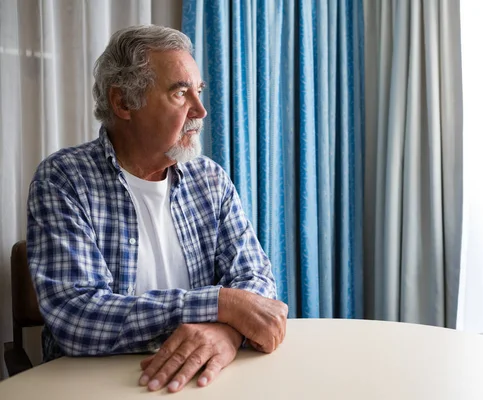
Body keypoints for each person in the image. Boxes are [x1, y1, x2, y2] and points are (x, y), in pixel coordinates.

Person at [26, 25, 288, 393]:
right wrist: (221, 304)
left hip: (205, 381)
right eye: (181, 92)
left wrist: (224, 333)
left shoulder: (209, 179)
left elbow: (257, 287)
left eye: (198, 91)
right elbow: (77, 317)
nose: (201, 110)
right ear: (123, 103)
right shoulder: (64, 179)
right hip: (96, 388)